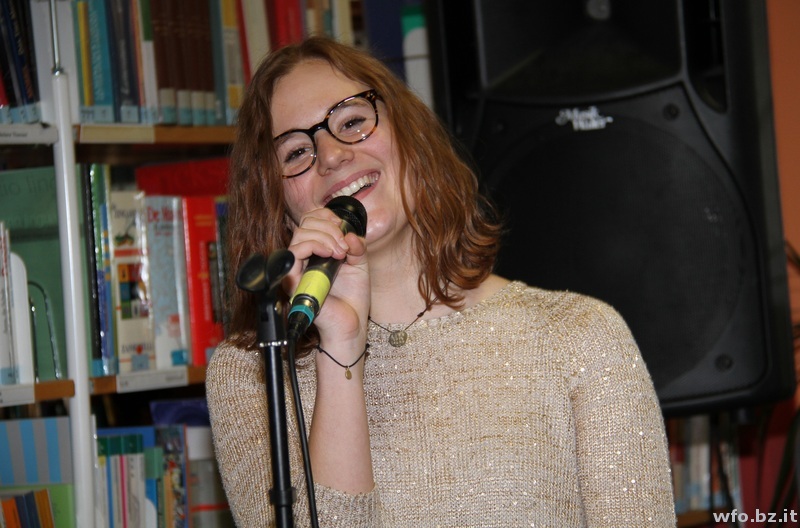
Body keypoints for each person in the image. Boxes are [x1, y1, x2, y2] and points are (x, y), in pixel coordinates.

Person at [205, 36, 677, 527]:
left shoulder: (579, 337)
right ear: (277, 205)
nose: (331, 155)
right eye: (297, 152)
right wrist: (340, 349)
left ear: (410, 136)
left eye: (352, 122)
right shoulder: (253, 374)